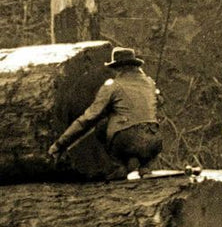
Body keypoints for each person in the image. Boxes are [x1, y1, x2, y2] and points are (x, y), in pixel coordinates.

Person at [47, 47, 163, 175]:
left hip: (127, 140)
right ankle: (144, 166)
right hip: (155, 141)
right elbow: (160, 102)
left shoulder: (112, 85)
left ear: (118, 68)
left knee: (102, 126)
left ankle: (118, 166)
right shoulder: (150, 82)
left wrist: (59, 144)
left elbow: (88, 118)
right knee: (138, 130)